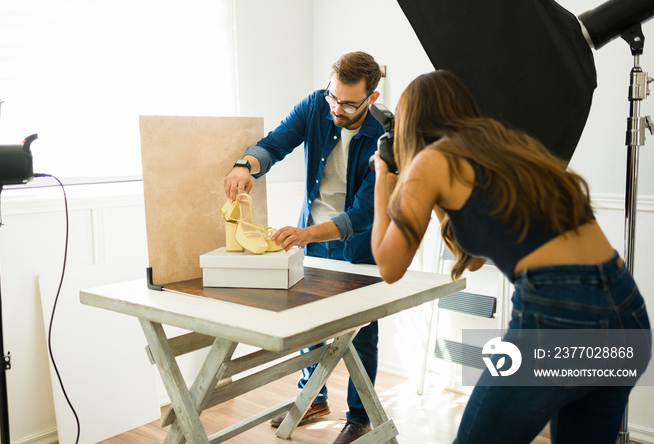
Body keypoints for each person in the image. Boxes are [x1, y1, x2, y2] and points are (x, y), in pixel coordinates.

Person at [370, 70, 651, 444]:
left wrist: (382, 178)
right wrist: (434, 203)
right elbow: (470, 258)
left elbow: (389, 266)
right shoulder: (506, 147)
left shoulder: (431, 162)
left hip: (559, 315)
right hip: (626, 312)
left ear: (409, 128)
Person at [223, 51, 384, 444]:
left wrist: (306, 235)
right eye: (334, 97)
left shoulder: (386, 136)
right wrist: (246, 165)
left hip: (358, 246)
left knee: (360, 334)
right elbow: (275, 143)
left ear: (372, 98)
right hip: (311, 235)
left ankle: (360, 418)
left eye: (348, 103)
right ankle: (312, 398)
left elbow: (363, 213)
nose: (337, 109)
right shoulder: (315, 105)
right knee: (310, 321)